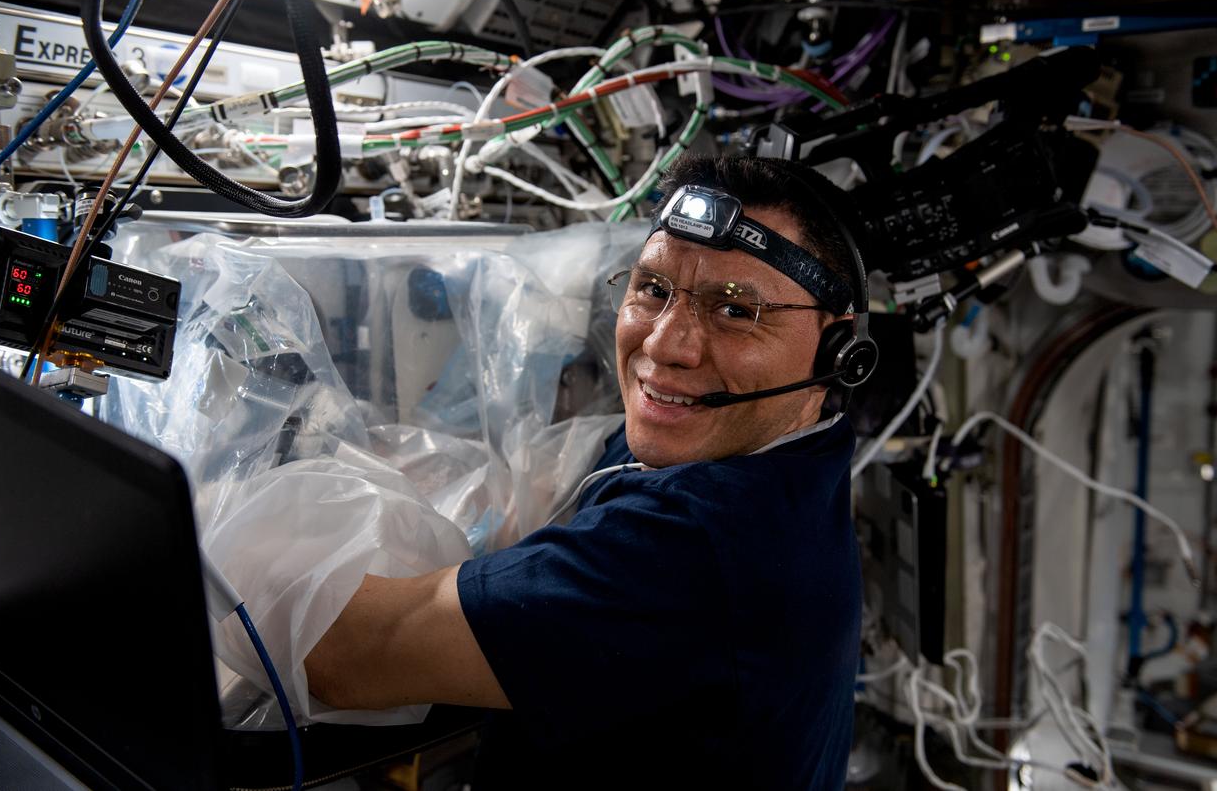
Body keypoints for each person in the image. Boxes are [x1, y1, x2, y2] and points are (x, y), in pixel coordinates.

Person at [305, 153, 864, 789]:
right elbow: (545, 486)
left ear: (838, 350)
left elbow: (348, 653)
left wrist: (229, 526)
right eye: (653, 289)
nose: (663, 344)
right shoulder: (789, 456)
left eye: (735, 310)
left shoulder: (694, 548)